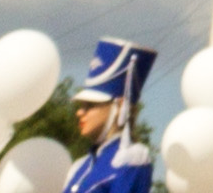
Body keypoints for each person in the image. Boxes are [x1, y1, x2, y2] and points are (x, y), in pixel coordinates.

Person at [63, 47, 159, 193]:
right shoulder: (80, 167)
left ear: (119, 107)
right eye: (81, 106)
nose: (79, 112)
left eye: (90, 106)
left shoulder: (131, 160)